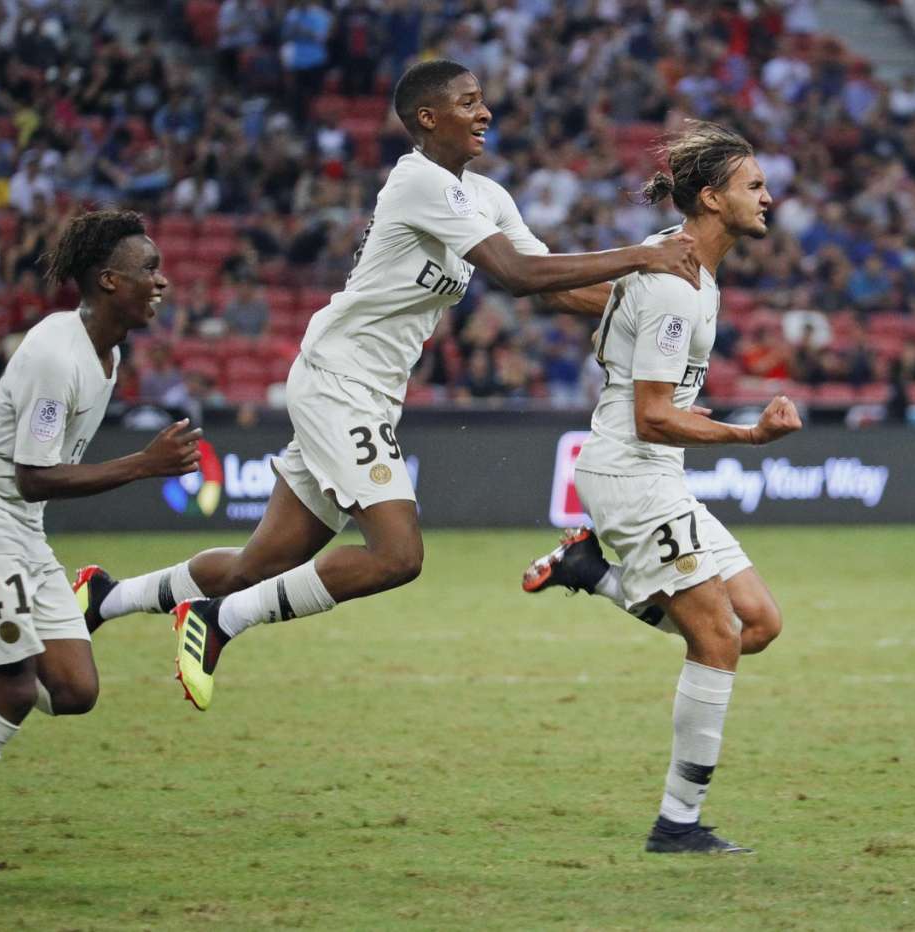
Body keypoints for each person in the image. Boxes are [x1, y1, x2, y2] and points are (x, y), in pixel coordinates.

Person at [74, 59, 701, 713]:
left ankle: (103, 597)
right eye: (469, 102)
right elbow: (516, 275)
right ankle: (218, 622)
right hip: (340, 381)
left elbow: (552, 283)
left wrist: (650, 315)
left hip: (364, 390)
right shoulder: (419, 184)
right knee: (397, 553)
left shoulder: (484, 196)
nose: (485, 113)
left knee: (254, 568)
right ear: (428, 118)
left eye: (483, 100)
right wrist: (643, 256)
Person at [521, 122, 802, 854]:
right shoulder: (677, 286)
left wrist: (614, 316)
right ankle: (678, 824)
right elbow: (651, 418)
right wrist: (750, 437)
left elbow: (581, 302)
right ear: (711, 198)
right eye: (754, 187)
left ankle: (590, 570)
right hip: (633, 474)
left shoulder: (672, 261)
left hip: (653, 474)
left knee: (758, 625)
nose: (769, 197)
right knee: (716, 639)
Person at [0, 209, 201, 877]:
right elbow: (33, 476)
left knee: (72, 690)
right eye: (148, 270)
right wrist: (143, 464)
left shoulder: (108, 353)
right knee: (12, 690)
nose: (162, 281)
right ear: (108, 281)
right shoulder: (55, 353)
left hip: (20, 528)